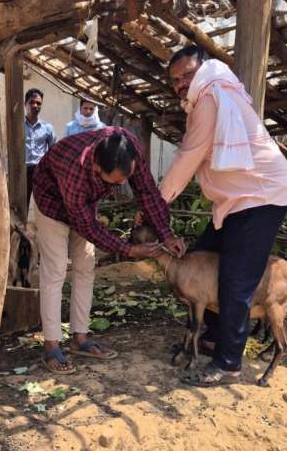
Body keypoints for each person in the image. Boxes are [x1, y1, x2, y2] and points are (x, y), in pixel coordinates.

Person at [158, 45, 287, 387]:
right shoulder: (210, 95)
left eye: (187, 74)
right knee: (203, 254)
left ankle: (228, 362)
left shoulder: (210, 95)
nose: (181, 83)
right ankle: (213, 336)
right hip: (237, 202)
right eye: (175, 80)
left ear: (203, 69)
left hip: (261, 198)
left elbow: (189, 156)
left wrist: (156, 203)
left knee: (236, 279)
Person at [33, 126, 187, 374]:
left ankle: (80, 339)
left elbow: (147, 191)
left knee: (86, 266)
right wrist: (130, 250)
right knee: (56, 270)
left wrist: (166, 234)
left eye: (126, 177)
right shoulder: (75, 170)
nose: (123, 183)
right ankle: (51, 346)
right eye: (116, 182)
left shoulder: (129, 148)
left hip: (84, 203)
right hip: (51, 203)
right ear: (96, 167)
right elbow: (88, 227)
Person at [24, 88, 56, 206]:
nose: (35, 106)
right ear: (25, 104)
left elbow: (53, 152)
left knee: (43, 205)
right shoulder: (17, 126)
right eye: (32, 102)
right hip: (22, 171)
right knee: (22, 204)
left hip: (40, 171)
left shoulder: (48, 128)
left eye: (38, 103)